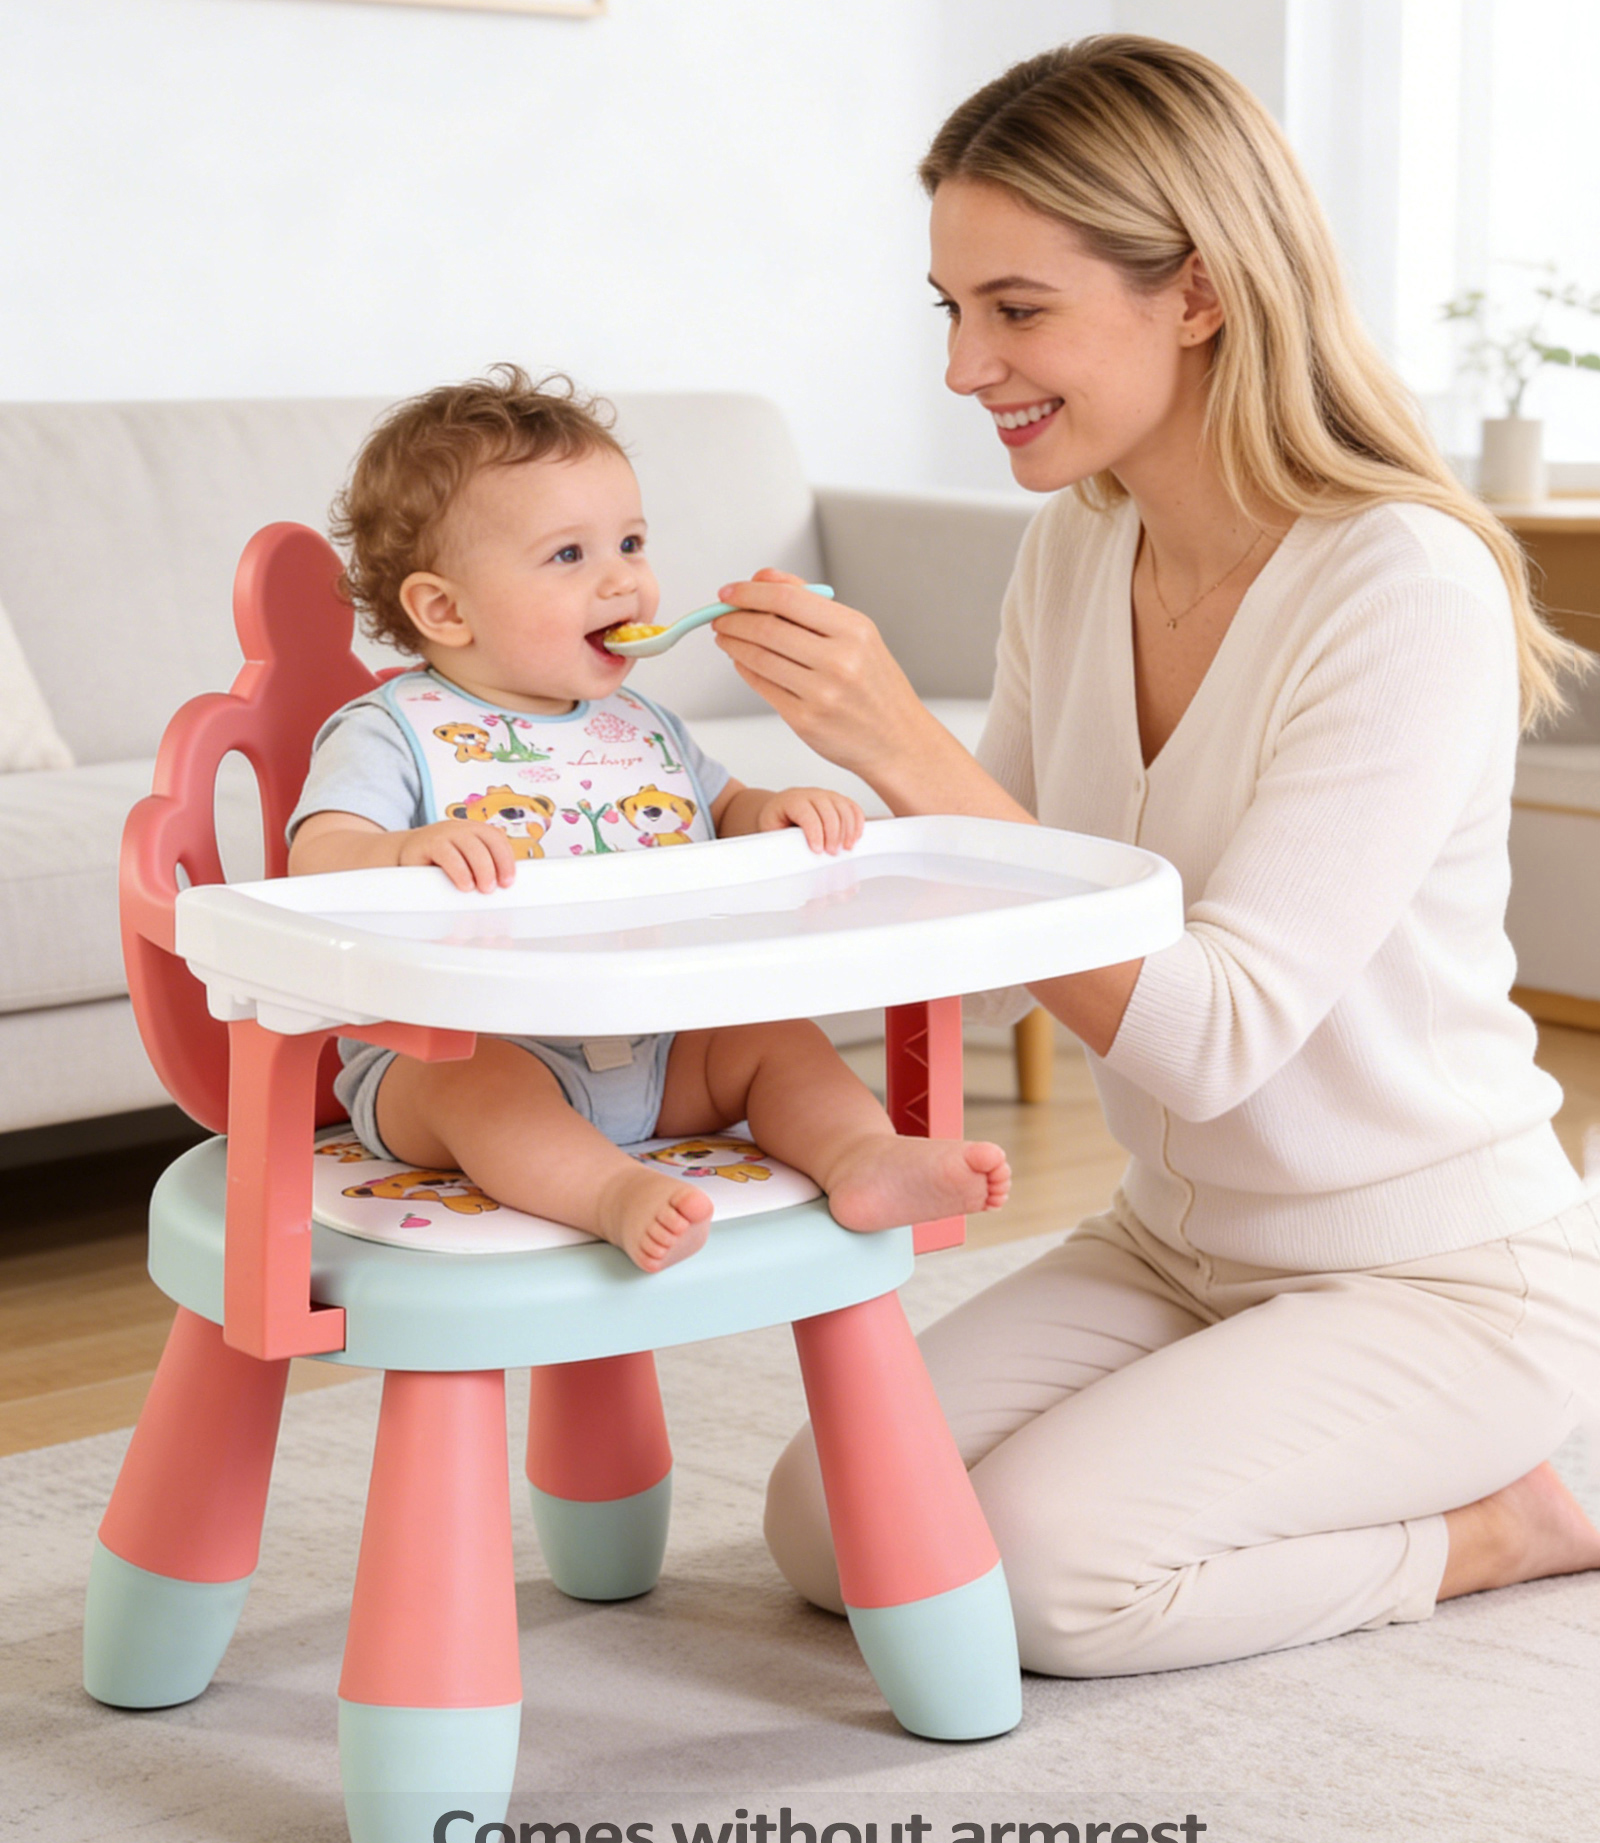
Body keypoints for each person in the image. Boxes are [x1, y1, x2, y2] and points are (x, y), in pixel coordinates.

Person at [727, 37, 1600, 1676]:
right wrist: (817, 827)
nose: (965, 364)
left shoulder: (1400, 581)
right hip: (1176, 1241)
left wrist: (904, 748)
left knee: (1047, 1582)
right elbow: (982, 935)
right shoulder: (1080, 544)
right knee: (834, 1524)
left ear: (1195, 293)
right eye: (951, 309)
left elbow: (1212, 1033)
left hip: (1437, 1270)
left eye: (1019, 306)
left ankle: (1500, 1523)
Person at [287, 366, 1010, 1275]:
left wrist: (771, 810)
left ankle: (859, 1156)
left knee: (776, 1042)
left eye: (630, 542)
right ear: (444, 608)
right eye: (569, 556)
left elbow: (718, 807)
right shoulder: (391, 732)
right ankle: (609, 1194)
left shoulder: (645, 726)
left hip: (665, 1044)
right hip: (464, 1051)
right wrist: (403, 849)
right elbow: (319, 860)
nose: (623, 579)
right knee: (477, 1088)